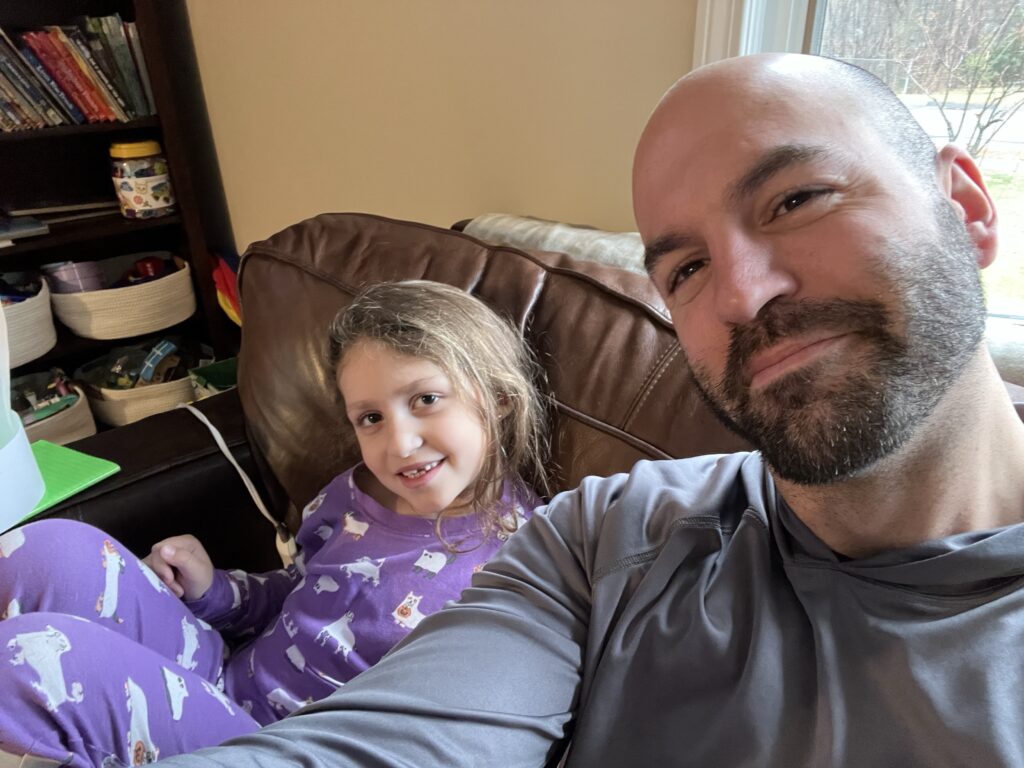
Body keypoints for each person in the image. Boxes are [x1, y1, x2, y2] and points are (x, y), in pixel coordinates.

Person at [0, 280, 551, 767]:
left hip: (278, 752)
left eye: (427, 399)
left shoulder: (515, 566)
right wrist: (215, 590)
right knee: (49, 551)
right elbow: (296, 592)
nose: (400, 443)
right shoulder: (352, 495)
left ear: (500, 397)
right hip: (221, 685)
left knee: (29, 665)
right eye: (371, 418)